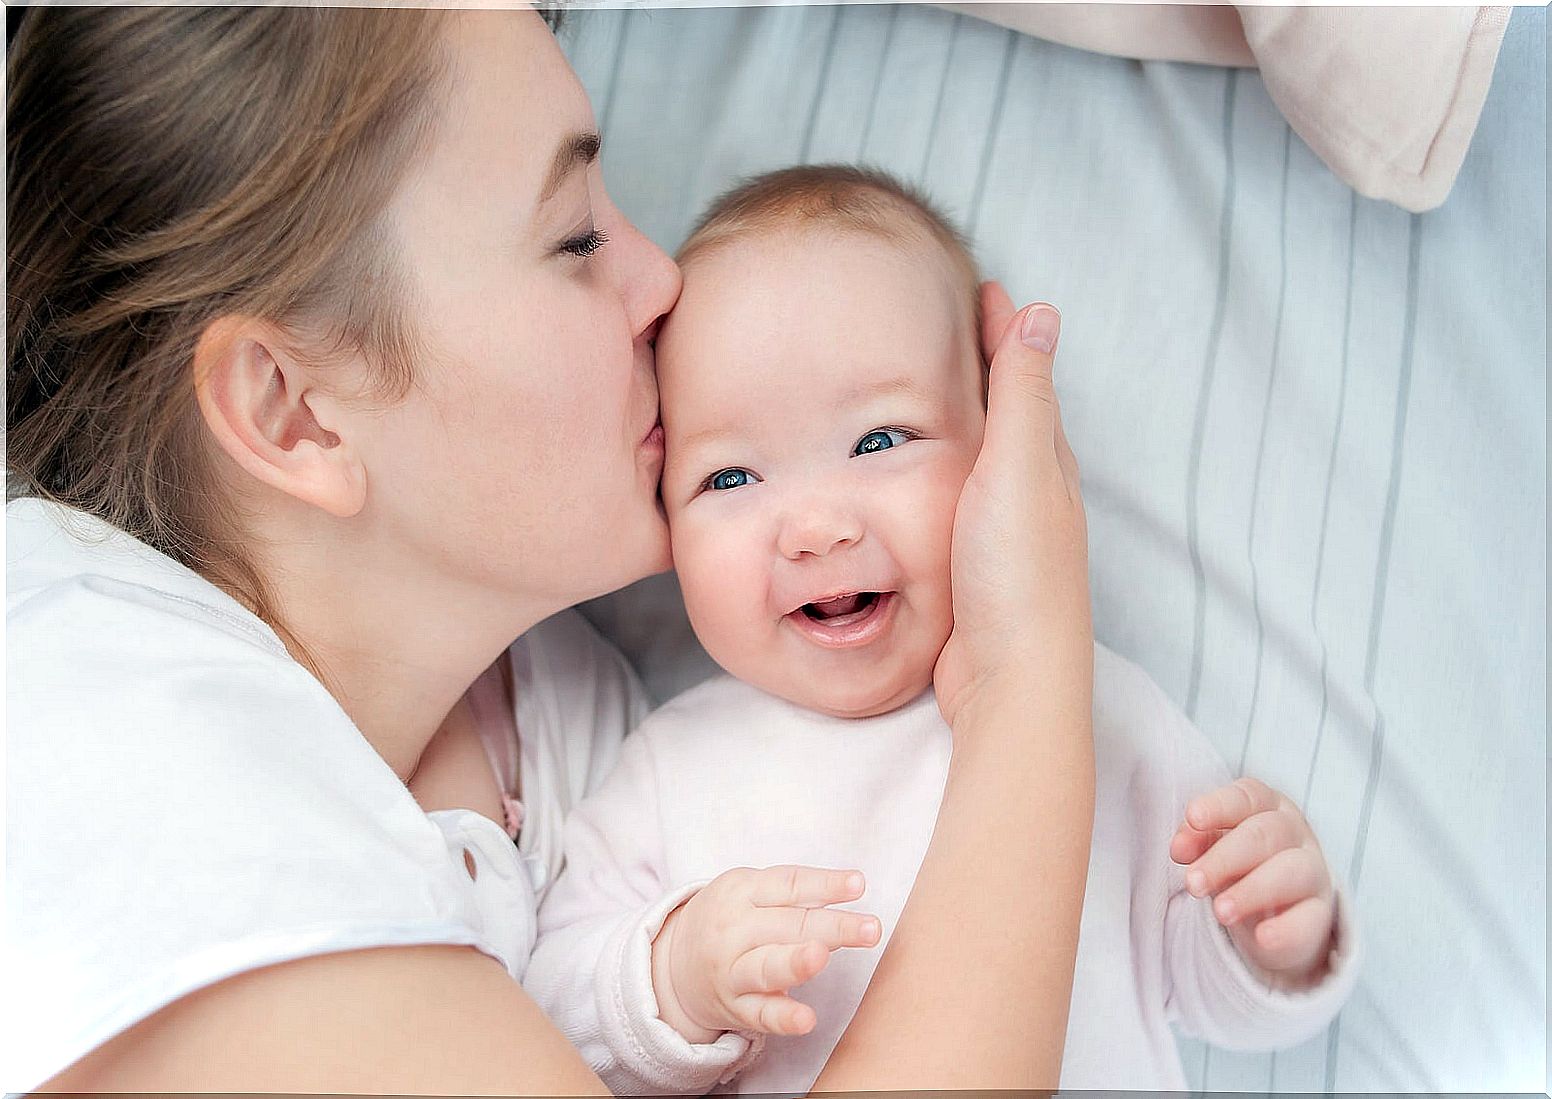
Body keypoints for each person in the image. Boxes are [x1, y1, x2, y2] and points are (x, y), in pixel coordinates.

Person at [5, 9, 1094, 1094]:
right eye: (575, 238)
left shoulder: (576, 734)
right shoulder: (87, 710)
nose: (663, 281)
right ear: (295, 411)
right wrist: (1027, 674)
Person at [524, 166, 1360, 1094]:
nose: (815, 528)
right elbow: (548, 1012)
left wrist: (1272, 934)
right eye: (729, 479)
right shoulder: (668, 764)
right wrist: (675, 974)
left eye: (880, 441)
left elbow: (1202, 996)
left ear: (999, 438)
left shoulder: (1098, 711)